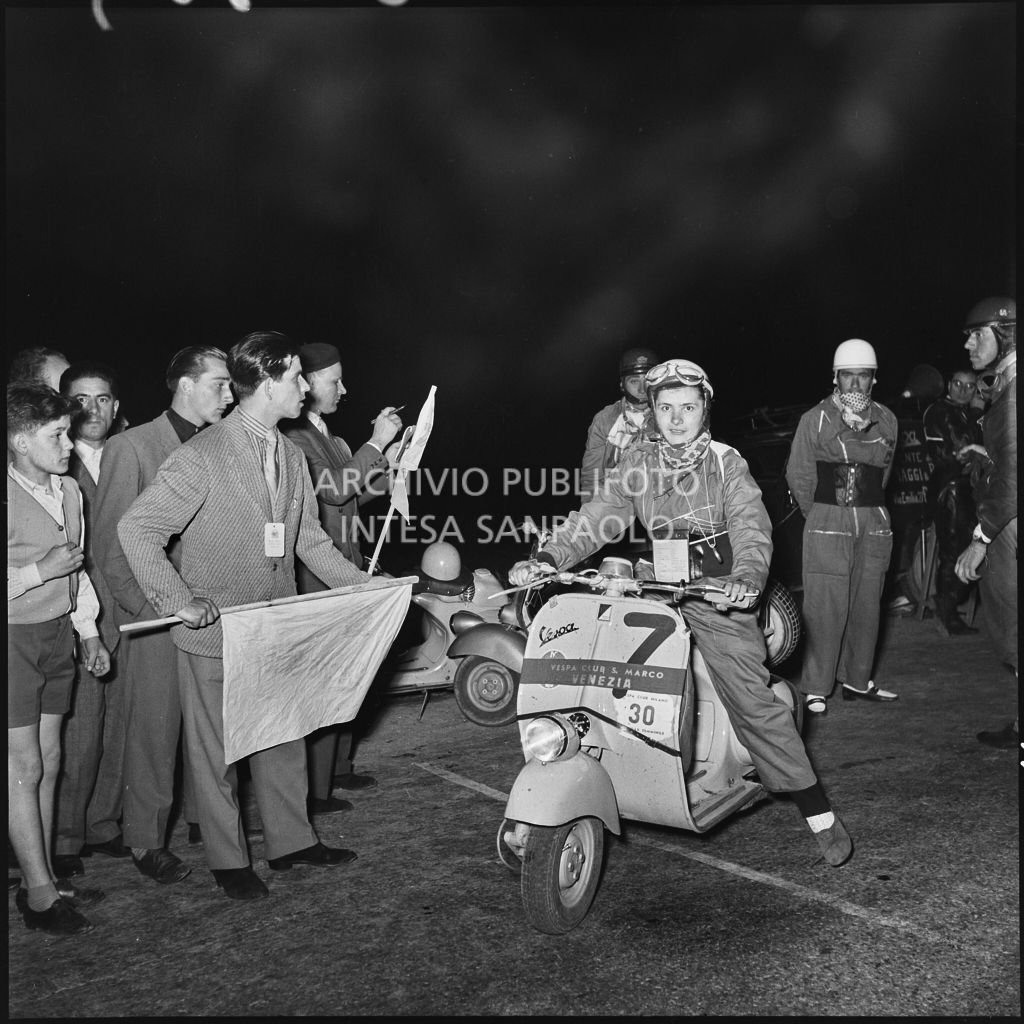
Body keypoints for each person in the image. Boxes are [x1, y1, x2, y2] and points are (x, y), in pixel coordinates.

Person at [509, 358, 853, 867]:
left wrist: (747, 580)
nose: (675, 419)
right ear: (652, 411)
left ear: (704, 408)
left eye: (687, 408)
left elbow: (751, 527)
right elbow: (597, 516)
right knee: (597, 659)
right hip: (656, 590)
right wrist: (545, 559)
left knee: (749, 695)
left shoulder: (725, 462)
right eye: (665, 408)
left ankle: (816, 809)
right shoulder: (637, 464)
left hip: (717, 595)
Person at [118, 330, 371, 901]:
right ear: (266, 384)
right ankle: (229, 860)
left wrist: (367, 587)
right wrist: (176, 599)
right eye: (297, 378)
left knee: (282, 735)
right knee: (217, 755)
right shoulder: (202, 455)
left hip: (272, 628)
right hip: (216, 634)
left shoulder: (289, 453)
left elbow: (309, 542)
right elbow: (137, 529)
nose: (306, 386)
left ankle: (292, 843)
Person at [92, 345, 233, 885]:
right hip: (156, 616)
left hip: (213, 611)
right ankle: (145, 841)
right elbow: (110, 546)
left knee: (211, 725)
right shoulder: (132, 447)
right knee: (154, 731)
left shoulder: (221, 445)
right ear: (184, 386)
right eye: (218, 384)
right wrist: (155, 609)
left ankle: (205, 820)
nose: (228, 394)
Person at [8, 382, 111, 935]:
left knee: (47, 761)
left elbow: (77, 568)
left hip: (56, 638)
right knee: (22, 769)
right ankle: (41, 894)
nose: (70, 443)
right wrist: (35, 573)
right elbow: (47, 568)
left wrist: (88, 631)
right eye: (56, 435)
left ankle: (38, 875)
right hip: (12, 641)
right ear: (22, 441)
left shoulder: (69, 490)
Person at [281, 341, 403, 811]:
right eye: (335, 380)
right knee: (320, 679)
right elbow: (332, 492)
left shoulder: (327, 437)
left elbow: (352, 497)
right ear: (307, 384)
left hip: (345, 566)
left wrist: (393, 471)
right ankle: (314, 788)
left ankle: (336, 769)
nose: (344, 389)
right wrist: (376, 443)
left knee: (345, 674)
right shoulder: (294, 438)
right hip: (317, 575)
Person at [784, 339, 899, 714]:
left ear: (873, 380)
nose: (854, 385)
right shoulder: (814, 420)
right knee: (825, 603)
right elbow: (799, 474)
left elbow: (884, 474)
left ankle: (858, 679)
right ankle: (817, 685)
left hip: (873, 518)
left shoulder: (888, 419)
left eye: (862, 377)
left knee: (868, 600)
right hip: (828, 516)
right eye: (847, 376)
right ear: (835, 378)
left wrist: (867, 512)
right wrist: (820, 515)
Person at [52, 363, 128, 880]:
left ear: (116, 407)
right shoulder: (54, 465)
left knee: (119, 728)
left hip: (130, 615)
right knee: (79, 730)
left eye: (103, 399)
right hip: (79, 613)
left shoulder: (129, 456)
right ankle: (64, 836)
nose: (92, 411)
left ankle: (104, 824)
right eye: (80, 400)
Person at [955, 297, 1017, 749]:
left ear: (1007, 333)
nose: (969, 343)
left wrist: (980, 538)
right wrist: (988, 457)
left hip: (1010, 525)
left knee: (1013, 628)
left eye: (978, 333)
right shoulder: (1007, 383)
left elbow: (1016, 479)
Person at [922, 368, 984, 635]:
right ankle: (947, 611)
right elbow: (964, 447)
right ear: (949, 384)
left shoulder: (961, 412)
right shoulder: (941, 411)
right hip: (950, 490)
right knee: (955, 549)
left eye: (970, 386)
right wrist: (978, 413)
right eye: (958, 383)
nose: (963, 390)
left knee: (966, 546)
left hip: (965, 488)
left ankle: (949, 608)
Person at [882, 363, 942, 615]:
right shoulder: (891, 415)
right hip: (900, 497)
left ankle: (916, 591)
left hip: (923, 494)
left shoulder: (933, 414)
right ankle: (901, 591)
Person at [579, 347, 658, 500]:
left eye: (648, 381)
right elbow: (593, 476)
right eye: (634, 381)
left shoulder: (672, 415)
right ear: (622, 385)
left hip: (658, 502)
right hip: (617, 501)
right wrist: (590, 515)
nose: (642, 389)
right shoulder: (606, 419)